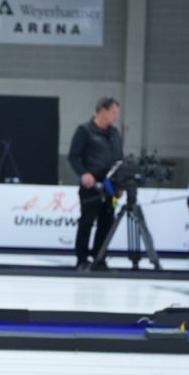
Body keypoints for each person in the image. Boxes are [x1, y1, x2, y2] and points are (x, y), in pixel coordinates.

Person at [67, 97, 123, 270]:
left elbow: (119, 159)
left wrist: (119, 185)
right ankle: (82, 259)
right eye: (114, 112)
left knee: (106, 223)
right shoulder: (84, 130)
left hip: (109, 187)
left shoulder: (114, 134)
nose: (116, 117)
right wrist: (83, 174)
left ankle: (99, 258)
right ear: (102, 111)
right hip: (91, 187)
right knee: (86, 222)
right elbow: (73, 156)